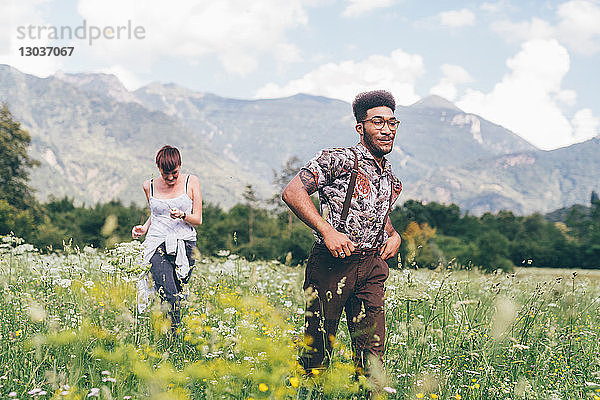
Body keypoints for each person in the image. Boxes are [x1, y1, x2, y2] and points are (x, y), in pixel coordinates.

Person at [282, 90, 403, 377]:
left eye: (392, 123)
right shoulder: (339, 159)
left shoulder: (391, 179)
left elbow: (378, 215)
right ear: (361, 128)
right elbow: (292, 192)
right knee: (318, 348)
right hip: (332, 263)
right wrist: (327, 231)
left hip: (372, 266)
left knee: (371, 352)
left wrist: (394, 235)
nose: (386, 130)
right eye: (378, 123)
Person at [132, 145, 202, 331]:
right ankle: (173, 340)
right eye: (165, 174)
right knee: (168, 294)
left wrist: (182, 215)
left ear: (180, 165)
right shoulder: (149, 186)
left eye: (174, 173)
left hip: (185, 244)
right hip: (157, 244)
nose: (170, 178)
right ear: (158, 168)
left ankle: (167, 334)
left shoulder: (192, 182)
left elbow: (198, 219)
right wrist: (143, 228)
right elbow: (156, 214)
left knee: (179, 293)